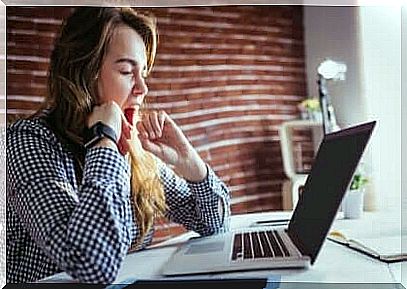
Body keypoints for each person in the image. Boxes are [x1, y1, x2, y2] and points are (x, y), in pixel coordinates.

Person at [7, 7, 231, 284]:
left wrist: (190, 163)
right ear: (83, 74)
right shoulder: (28, 142)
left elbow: (215, 223)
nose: (142, 88)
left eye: (144, 74)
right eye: (126, 71)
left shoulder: (132, 148)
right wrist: (103, 140)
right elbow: (91, 263)